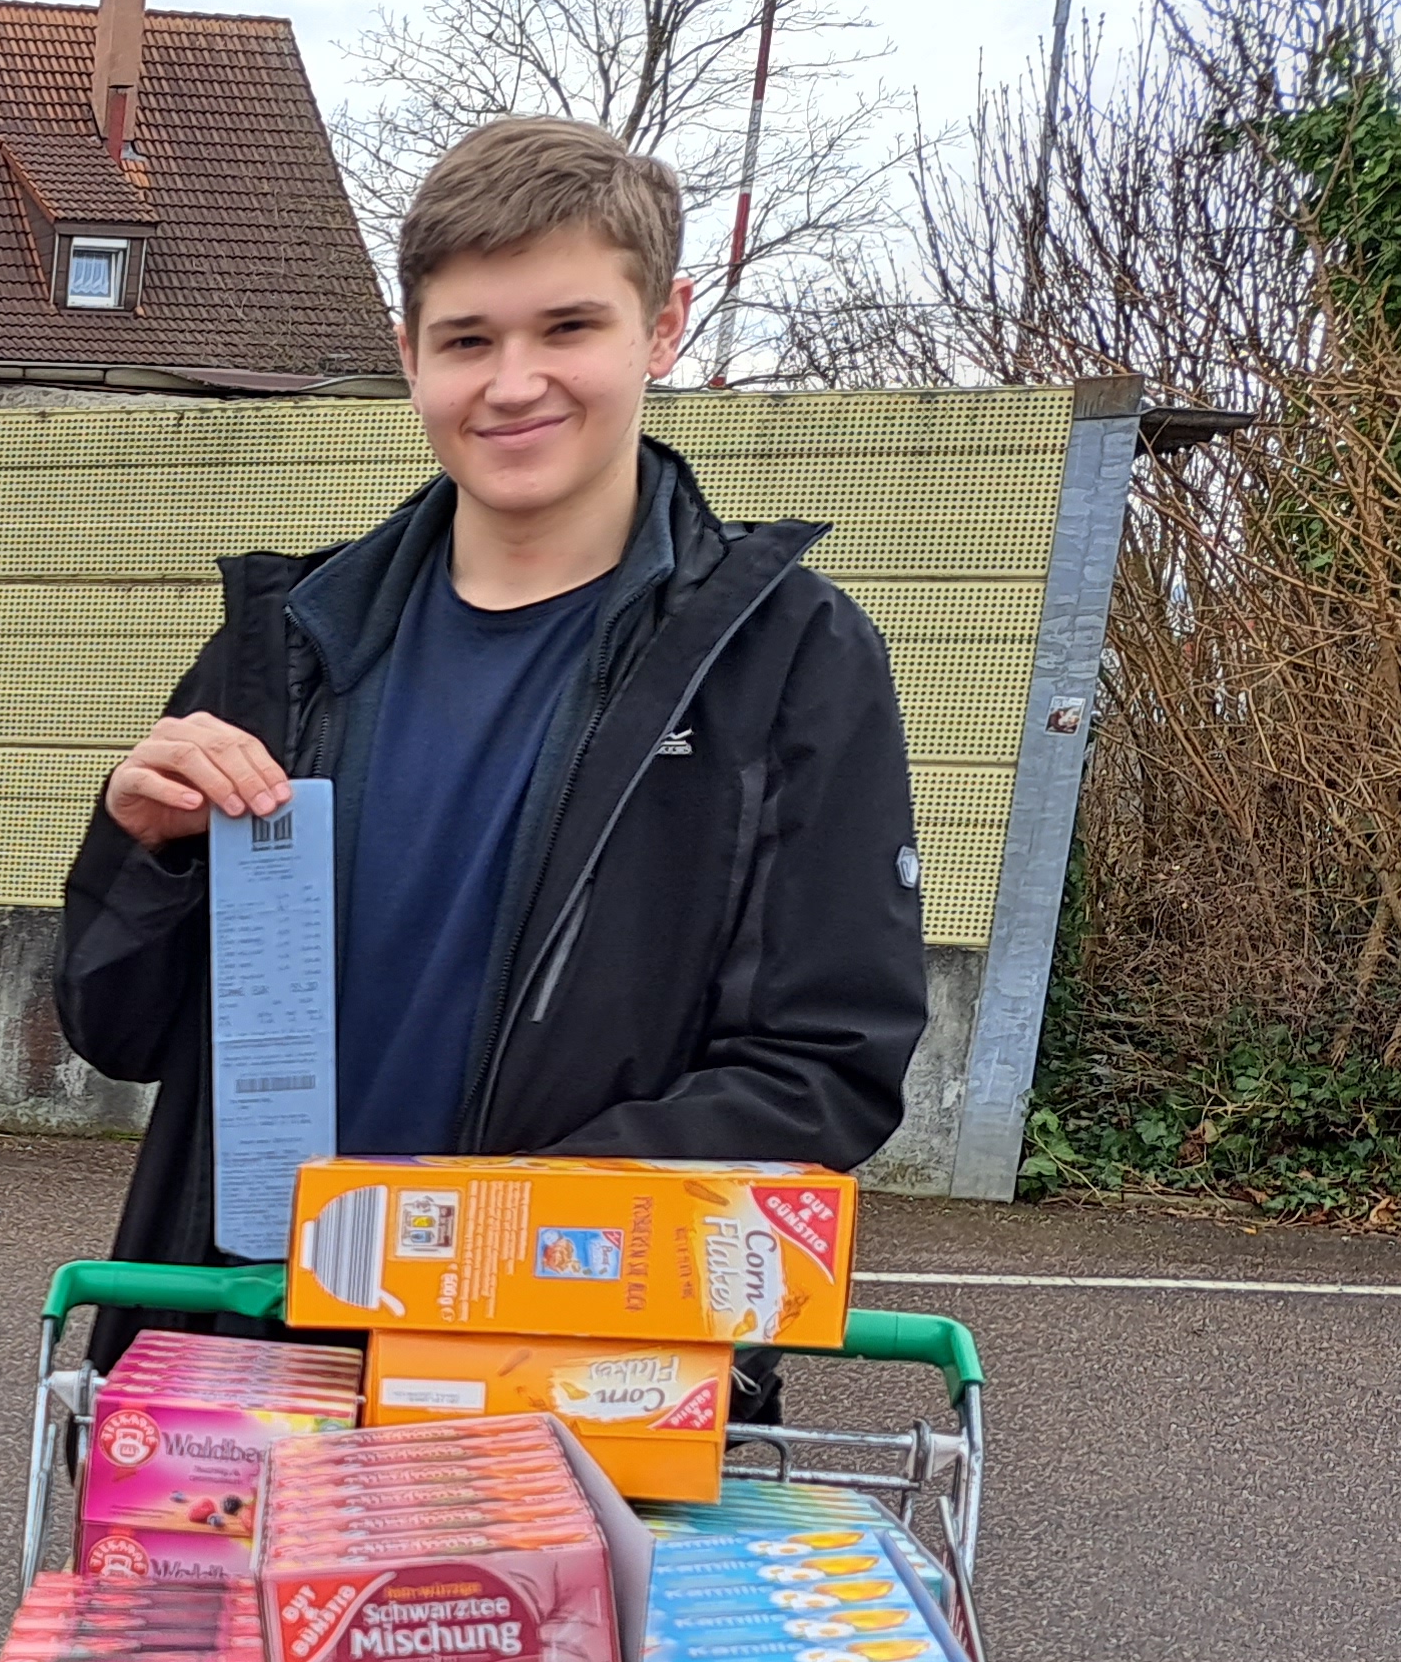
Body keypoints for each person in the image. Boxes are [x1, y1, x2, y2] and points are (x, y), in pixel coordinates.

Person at [57, 113, 925, 1379]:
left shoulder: (783, 657)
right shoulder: (288, 643)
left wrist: (474, 1240)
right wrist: (145, 853)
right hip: (247, 1360)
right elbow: (112, 1029)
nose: (513, 383)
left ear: (662, 326)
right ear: (410, 355)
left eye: (567, 328)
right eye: (468, 340)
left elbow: (826, 1068)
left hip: (580, 1370)